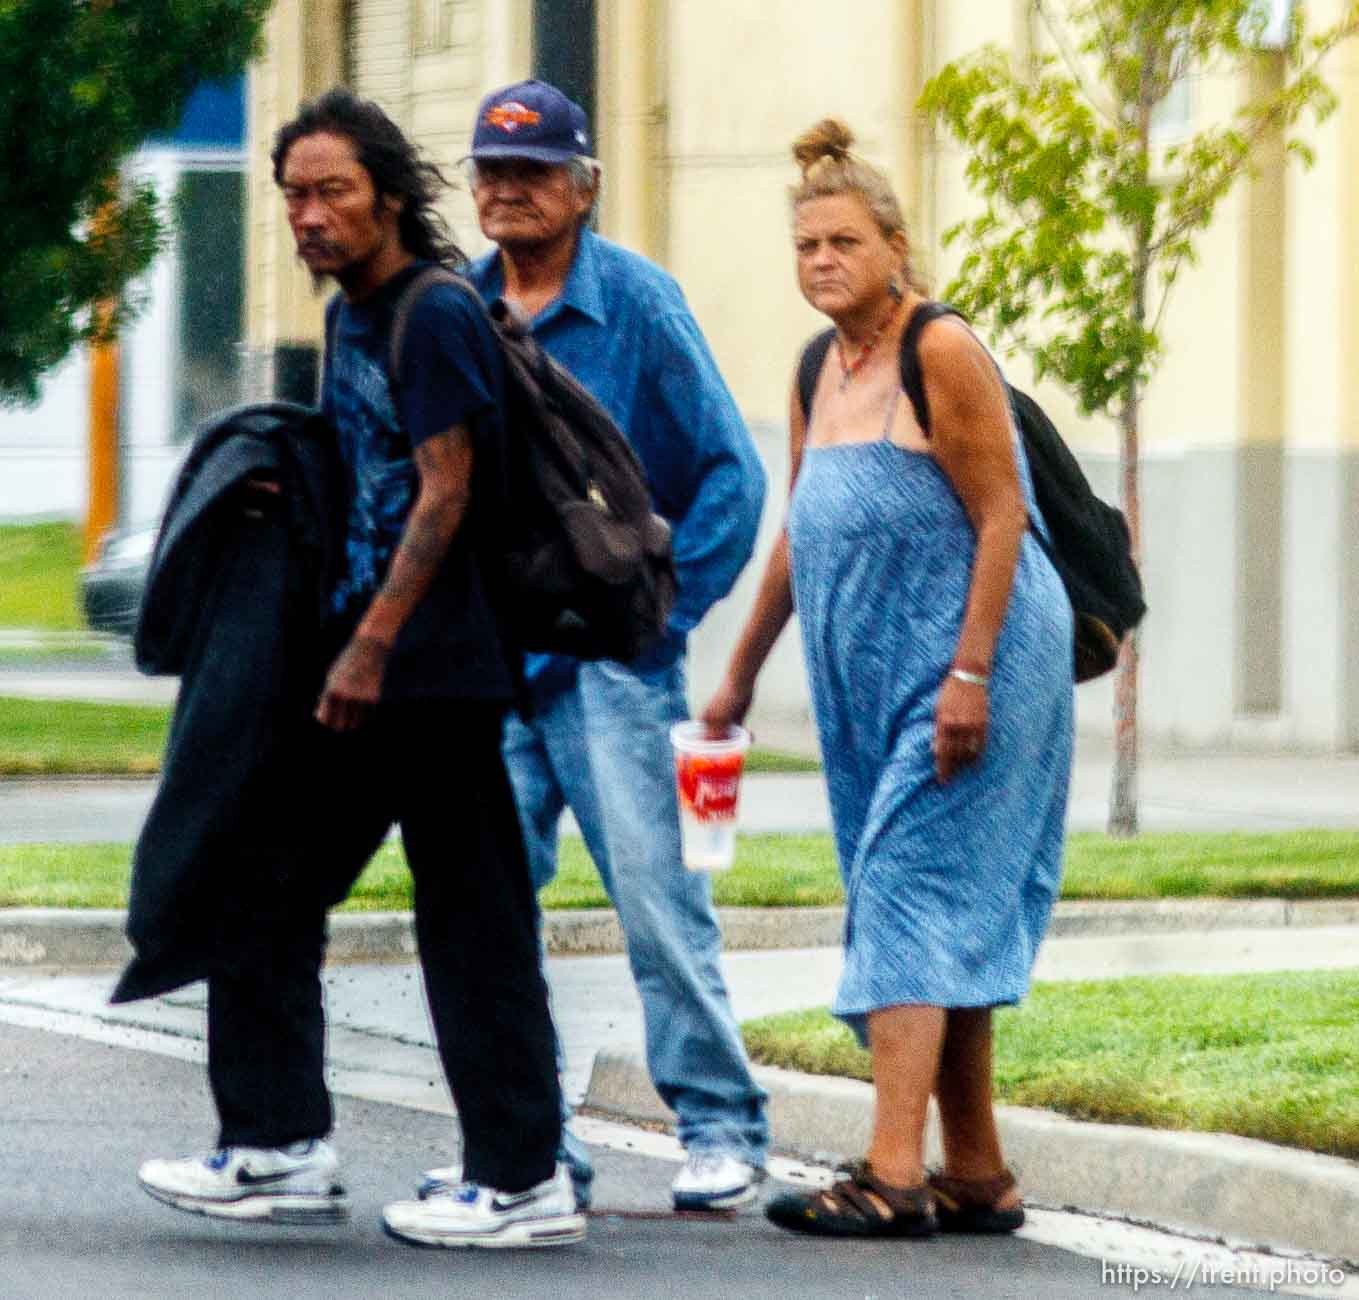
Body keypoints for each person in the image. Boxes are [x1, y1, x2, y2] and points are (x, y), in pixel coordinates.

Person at [135, 87, 585, 1252]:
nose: (309, 213)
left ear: (386, 193)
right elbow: (376, 472)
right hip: (368, 670)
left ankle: (521, 1175)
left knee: (470, 921)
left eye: (332, 189)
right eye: (293, 193)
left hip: (426, 675)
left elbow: (448, 489)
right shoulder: (353, 315)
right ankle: (281, 1146)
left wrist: (372, 643)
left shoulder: (432, 311)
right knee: (265, 889)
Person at [702, 118, 1074, 1239]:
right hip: (871, 678)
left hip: (977, 665)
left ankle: (888, 1171)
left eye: (844, 242)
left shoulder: (941, 349)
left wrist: (969, 673)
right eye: (807, 245)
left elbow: (1003, 512)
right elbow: (798, 535)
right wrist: (735, 678)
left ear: (896, 247)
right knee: (927, 902)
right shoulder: (820, 366)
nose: (822, 261)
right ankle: (976, 1171)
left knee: (910, 889)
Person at [422, 78, 771, 1212]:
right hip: (494, 673)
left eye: (530, 172)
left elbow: (734, 472)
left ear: (584, 187)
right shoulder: (458, 309)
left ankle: (721, 1125)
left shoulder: (641, 305)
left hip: (613, 671)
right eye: (490, 171)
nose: (505, 190)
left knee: (660, 905)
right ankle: (528, 1147)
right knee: (488, 913)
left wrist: (657, 618)